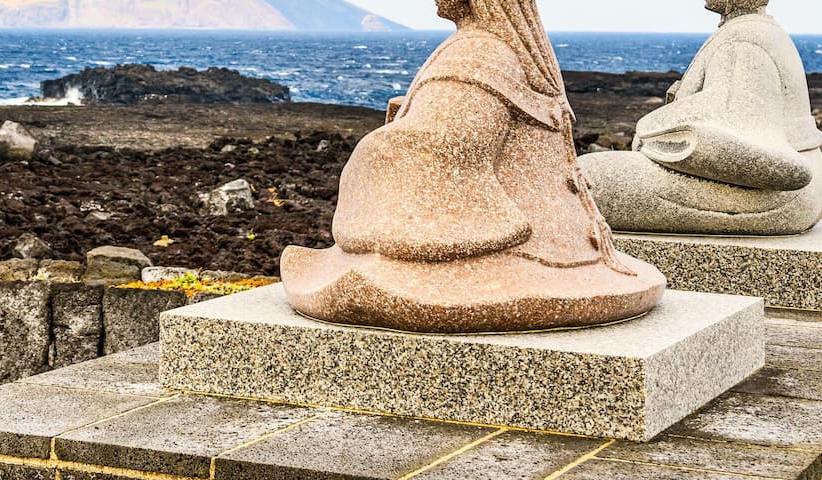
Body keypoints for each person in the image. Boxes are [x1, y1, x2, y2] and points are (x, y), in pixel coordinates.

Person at [281, 0, 665, 334]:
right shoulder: (487, 47)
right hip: (560, 237)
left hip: (527, 245)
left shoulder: (481, 51)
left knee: (375, 156)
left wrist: (380, 146)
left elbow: (451, 146)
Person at [578, 0, 822, 236]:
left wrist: (656, 128)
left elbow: (743, 122)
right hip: (815, 191)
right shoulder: (768, 31)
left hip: (783, 201)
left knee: (589, 178)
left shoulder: (742, 40)